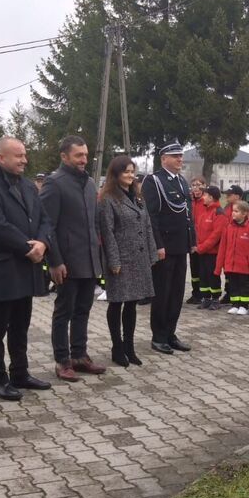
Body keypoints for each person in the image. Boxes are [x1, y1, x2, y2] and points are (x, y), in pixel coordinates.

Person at [0, 137, 54, 402]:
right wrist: (28, 248)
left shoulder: (28, 186)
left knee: (21, 324)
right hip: (2, 269)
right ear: (0, 157)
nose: (24, 160)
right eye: (18, 155)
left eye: (24, 155)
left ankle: (20, 372)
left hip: (26, 267)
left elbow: (43, 218)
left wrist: (42, 242)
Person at [41, 135, 107, 381]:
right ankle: (62, 361)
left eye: (86, 155)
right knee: (63, 312)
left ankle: (79, 356)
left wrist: (98, 255)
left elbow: (94, 224)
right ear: (64, 156)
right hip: (66, 262)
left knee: (83, 310)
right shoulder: (54, 184)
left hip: (89, 260)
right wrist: (55, 261)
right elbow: (47, 226)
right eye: (79, 155)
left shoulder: (90, 183)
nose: (84, 159)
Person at [98, 155, 158, 367]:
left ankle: (129, 347)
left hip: (139, 259)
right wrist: (114, 261)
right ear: (115, 174)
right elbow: (108, 232)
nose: (131, 175)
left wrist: (152, 253)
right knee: (116, 303)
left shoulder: (138, 197)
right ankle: (117, 348)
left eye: (133, 171)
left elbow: (148, 226)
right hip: (121, 260)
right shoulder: (108, 199)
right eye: (126, 172)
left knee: (132, 305)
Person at [142, 140, 196, 354]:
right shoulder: (153, 181)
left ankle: (170, 332)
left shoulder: (182, 181)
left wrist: (192, 240)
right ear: (164, 159)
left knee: (177, 292)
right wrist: (157, 244)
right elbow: (151, 217)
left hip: (181, 245)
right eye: (175, 156)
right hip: (164, 246)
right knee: (162, 293)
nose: (179, 160)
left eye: (181, 156)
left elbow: (188, 214)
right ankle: (158, 336)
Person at [216, 200, 249, 315]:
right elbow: (223, 247)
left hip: (243, 265)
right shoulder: (228, 227)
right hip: (230, 264)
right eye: (233, 211)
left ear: (245, 213)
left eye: (236, 211)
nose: (233, 213)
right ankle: (235, 304)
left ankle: (244, 305)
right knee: (233, 285)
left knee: (243, 286)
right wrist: (219, 266)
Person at [195, 185, 227, 310]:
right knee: (203, 276)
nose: (203, 197)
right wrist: (198, 245)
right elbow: (198, 230)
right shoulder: (205, 212)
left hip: (213, 253)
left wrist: (202, 247)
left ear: (211, 197)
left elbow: (216, 235)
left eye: (205, 195)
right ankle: (206, 298)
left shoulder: (219, 213)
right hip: (202, 251)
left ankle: (215, 299)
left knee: (213, 276)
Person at [185, 176, 207, 304]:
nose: (196, 188)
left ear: (204, 186)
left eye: (199, 185)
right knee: (194, 269)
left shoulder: (206, 201)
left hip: (203, 241)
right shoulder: (189, 201)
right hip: (192, 241)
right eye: (194, 185)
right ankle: (196, 293)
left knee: (203, 269)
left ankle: (204, 294)